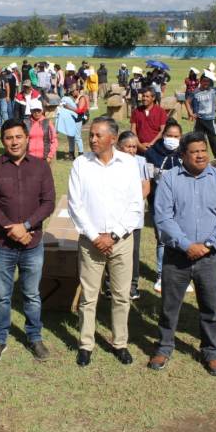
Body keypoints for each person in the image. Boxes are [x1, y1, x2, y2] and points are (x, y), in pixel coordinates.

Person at [148, 132, 216, 374]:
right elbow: (163, 216)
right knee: (169, 306)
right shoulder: (170, 179)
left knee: (210, 307)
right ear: (183, 155)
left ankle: (211, 351)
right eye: (194, 151)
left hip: (209, 256)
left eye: (203, 150)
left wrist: (209, 244)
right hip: (177, 256)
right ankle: (164, 347)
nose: (200, 155)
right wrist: (187, 245)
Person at [0, 119, 56, 363]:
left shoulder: (41, 167)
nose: (14, 142)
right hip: (3, 245)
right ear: (3, 141)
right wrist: (10, 228)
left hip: (32, 243)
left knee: (32, 294)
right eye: (9, 138)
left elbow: (48, 202)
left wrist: (26, 226)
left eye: (18, 137)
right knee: (2, 295)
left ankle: (34, 337)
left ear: (26, 138)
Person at [69, 117, 144, 367]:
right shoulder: (81, 163)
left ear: (113, 138)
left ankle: (120, 342)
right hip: (91, 242)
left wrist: (112, 236)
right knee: (89, 296)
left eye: (98, 135)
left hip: (121, 240)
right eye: (91, 135)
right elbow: (75, 205)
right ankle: (86, 344)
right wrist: (95, 236)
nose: (92, 139)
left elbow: (136, 205)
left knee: (122, 295)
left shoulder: (129, 164)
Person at [144, 119, 183, 292]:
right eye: (169, 135)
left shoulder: (184, 153)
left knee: (180, 238)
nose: (172, 139)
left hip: (181, 205)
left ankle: (181, 274)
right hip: (158, 204)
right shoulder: (152, 153)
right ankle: (161, 275)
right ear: (163, 135)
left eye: (176, 136)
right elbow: (147, 180)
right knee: (162, 240)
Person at [115, 131, 150, 300]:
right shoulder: (112, 162)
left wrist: (132, 205)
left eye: (135, 147)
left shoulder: (141, 162)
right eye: (128, 147)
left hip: (134, 217)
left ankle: (132, 285)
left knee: (133, 252)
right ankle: (110, 284)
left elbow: (146, 188)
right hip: (115, 216)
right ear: (119, 147)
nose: (132, 150)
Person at [184, 71, 216, 158]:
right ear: (200, 82)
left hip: (210, 120)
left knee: (213, 140)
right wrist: (190, 113)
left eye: (208, 81)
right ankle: (197, 156)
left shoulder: (213, 90)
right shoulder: (195, 92)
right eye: (204, 81)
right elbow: (187, 101)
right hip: (200, 120)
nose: (206, 83)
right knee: (197, 140)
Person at [130, 87, 168, 153]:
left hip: (156, 148)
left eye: (147, 96)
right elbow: (133, 129)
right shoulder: (136, 111)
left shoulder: (161, 111)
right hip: (139, 147)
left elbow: (163, 131)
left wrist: (151, 144)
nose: (144, 98)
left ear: (153, 98)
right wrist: (139, 145)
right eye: (143, 96)